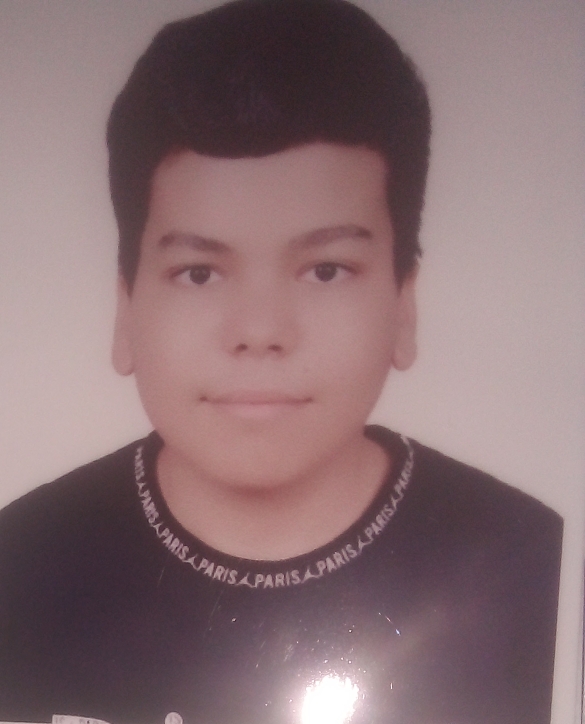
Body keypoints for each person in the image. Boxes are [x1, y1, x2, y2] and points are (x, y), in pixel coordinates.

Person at [0, 1, 562, 723]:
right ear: (126, 309)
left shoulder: (533, 562)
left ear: (403, 304)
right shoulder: (22, 561)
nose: (260, 332)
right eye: (199, 273)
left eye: (325, 270)